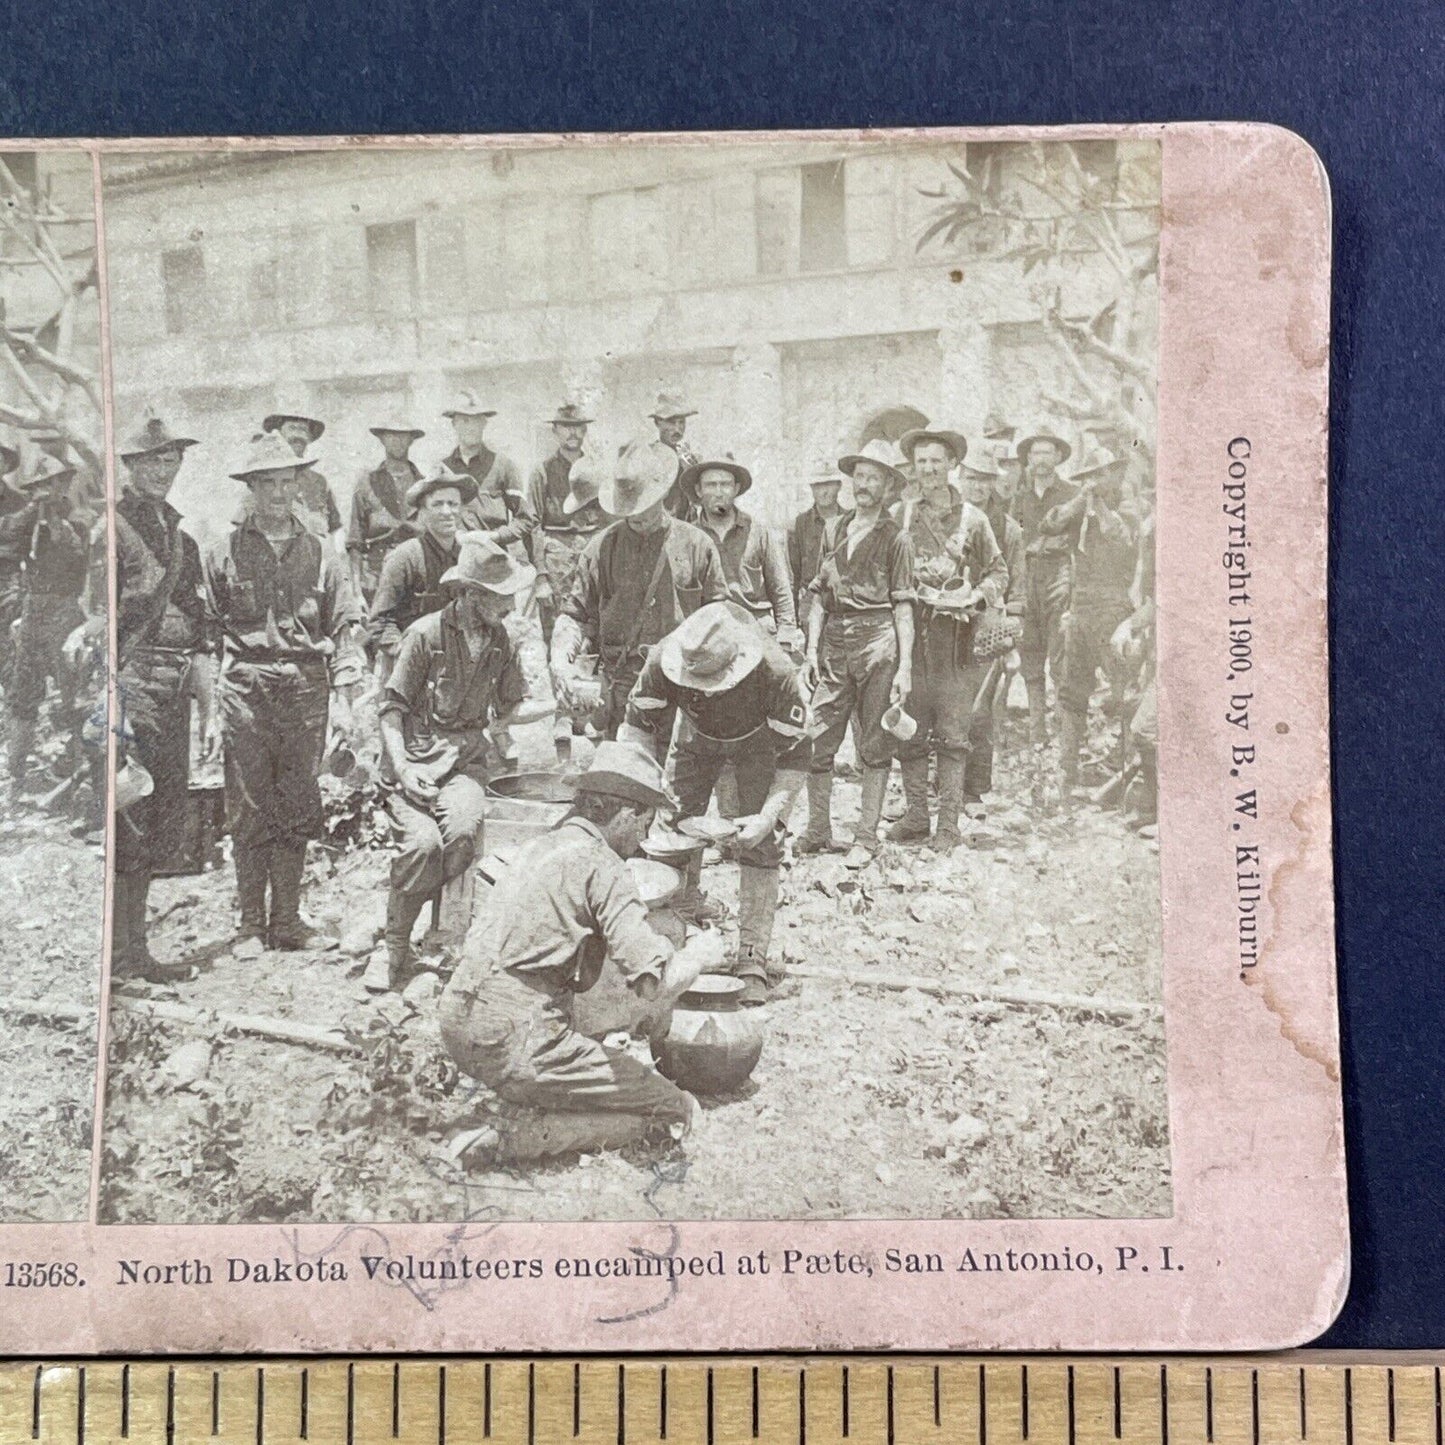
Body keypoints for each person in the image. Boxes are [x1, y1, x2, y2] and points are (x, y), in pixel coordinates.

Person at [438, 740, 725, 1164]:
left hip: (457, 1018)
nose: (644, 838)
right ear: (628, 813)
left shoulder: (541, 845)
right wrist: (701, 955)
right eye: (646, 824)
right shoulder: (603, 864)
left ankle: (529, 1096)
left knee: (572, 1066)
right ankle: (506, 1139)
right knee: (672, 1110)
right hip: (517, 1036)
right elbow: (652, 984)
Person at [201, 432, 365, 951]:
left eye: (286, 482)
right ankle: (251, 923)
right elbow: (207, 634)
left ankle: (287, 922)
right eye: (266, 483)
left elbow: (344, 627)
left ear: (299, 486)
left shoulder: (321, 553)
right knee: (248, 804)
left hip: (304, 687)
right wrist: (208, 709)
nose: (277, 493)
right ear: (250, 488)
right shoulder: (222, 552)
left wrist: (344, 699)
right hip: (246, 683)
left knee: (297, 800)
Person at [619, 602, 810, 1003]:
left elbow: (795, 760)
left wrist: (769, 817)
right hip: (693, 740)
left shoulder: (775, 672)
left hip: (759, 747)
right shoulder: (663, 658)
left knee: (761, 844)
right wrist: (646, 787)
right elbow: (637, 729)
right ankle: (671, 939)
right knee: (668, 834)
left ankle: (752, 956)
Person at [373, 538, 536, 992]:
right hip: (414, 765)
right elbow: (390, 711)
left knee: (463, 831)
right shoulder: (425, 635)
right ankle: (392, 945)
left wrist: (558, 708)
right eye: (501, 597)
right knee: (423, 845)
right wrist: (403, 768)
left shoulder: (500, 640)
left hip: (464, 765)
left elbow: (509, 708)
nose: (509, 606)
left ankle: (438, 939)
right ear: (469, 594)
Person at [112, 418, 214, 982]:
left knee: (157, 820)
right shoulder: (113, 528)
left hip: (173, 690)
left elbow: (200, 634)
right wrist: (110, 704)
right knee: (128, 816)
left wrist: (210, 708)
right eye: (151, 460)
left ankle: (137, 952)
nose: (162, 469)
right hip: (129, 687)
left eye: (170, 459)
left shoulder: (183, 538)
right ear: (130, 466)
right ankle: (118, 957)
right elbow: (96, 618)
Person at [550, 440, 727, 751]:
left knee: (677, 789)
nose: (639, 516)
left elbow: (719, 619)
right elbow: (574, 615)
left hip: (683, 691)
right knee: (621, 783)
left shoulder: (698, 546)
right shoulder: (601, 549)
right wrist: (560, 660)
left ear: (663, 494)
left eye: (647, 504)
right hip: (623, 691)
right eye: (631, 509)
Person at [888, 428, 1006, 850]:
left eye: (937, 461)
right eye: (922, 462)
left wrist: (974, 594)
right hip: (911, 637)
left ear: (953, 465)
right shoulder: (900, 515)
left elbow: (999, 572)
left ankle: (949, 825)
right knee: (911, 729)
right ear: (913, 468)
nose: (929, 469)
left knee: (954, 735)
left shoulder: (974, 519)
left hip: (956, 641)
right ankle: (918, 815)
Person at [799, 438, 915, 865]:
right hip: (833, 643)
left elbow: (903, 606)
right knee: (816, 737)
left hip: (878, 642)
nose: (864, 485)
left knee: (874, 743)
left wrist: (905, 666)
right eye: (860, 476)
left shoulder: (895, 538)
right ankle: (817, 829)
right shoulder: (833, 529)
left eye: (874, 478)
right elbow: (816, 596)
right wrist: (810, 650)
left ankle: (866, 836)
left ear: (887, 487)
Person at [1046, 446, 1138, 791]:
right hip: (1081, 606)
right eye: (1088, 477)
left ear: (1115, 474)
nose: (1094, 482)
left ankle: (1128, 773)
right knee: (1072, 690)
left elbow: (1121, 539)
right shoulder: (1078, 507)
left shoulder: (1127, 507)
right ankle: (1066, 771)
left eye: (1100, 474)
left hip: (1113, 607)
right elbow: (1049, 524)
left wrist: (1098, 505)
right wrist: (1080, 501)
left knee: (1123, 690)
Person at [523, 404, 609, 764]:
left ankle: (585, 712)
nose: (573, 433)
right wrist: (541, 574)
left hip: (591, 547)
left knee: (593, 631)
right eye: (566, 427)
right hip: (557, 553)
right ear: (555, 431)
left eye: (578, 427)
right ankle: (562, 713)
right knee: (556, 636)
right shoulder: (543, 472)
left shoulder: (595, 469)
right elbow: (533, 524)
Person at [3, 456, 88, 798]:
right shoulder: (27, 520)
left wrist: (55, 521)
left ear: (65, 485)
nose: (47, 491)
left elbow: (77, 553)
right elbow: (6, 538)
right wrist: (32, 512)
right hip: (33, 607)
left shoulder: (78, 518)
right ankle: (16, 776)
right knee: (22, 695)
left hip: (65, 609)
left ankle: (80, 775)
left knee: (74, 695)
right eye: (39, 486)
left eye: (53, 484)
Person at [958, 447, 1027, 817]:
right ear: (961, 478)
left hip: (987, 627)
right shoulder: (949, 521)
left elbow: (1017, 587)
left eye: (985, 480)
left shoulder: (1008, 529)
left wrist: (1010, 637)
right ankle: (939, 789)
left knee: (979, 712)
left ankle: (973, 791)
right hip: (945, 625)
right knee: (940, 706)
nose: (978, 486)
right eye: (971, 478)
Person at [368, 464, 477, 676]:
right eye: (437, 504)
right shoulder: (405, 557)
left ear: (462, 509)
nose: (447, 512)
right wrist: (403, 653)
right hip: (412, 667)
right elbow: (380, 622)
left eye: (453, 504)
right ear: (424, 512)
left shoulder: (471, 555)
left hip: (460, 667)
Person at [1009, 427, 1077, 745]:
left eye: (1047, 452)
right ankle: (1038, 734)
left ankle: (1065, 735)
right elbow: (1013, 543)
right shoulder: (1019, 500)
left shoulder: (1070, 494)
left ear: (1059, 457)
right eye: (1035, 453)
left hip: (1058, 575)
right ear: (1028, 459)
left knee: (1060, 658)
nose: (1041, 459)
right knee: (1030, 656)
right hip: (1026, 577)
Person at [682, 455, 797, 640]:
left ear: (736, 489)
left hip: (756, 628)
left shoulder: (758, 532)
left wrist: (787, 632)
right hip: (710, 633)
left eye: (725, 484)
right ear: (699, 490)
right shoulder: (690, 537)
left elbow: (780, 589)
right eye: (711, 485)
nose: (719, 492)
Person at [439, 391, 530, 549]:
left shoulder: (503, 465)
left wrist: (495, 536)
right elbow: (430, 516)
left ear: (484, 424)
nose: (471, 427)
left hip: (493, 556)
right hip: (453, 556)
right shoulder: (442, 469)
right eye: (465, 421)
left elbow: (526, 519)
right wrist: (456, 536)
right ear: (454, 424)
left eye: (477, 421)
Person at [347, 419, 424, 605]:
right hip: (375, 578)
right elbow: (355, 542)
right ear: (382, 439)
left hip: (413, 578)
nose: (397, 440)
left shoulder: (423, 485)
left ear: (411, 440)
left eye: (403, 436)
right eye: (391, 435)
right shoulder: (366, 484)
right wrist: (356, 593)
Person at [259, 400, 343, 549]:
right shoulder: (263, 478)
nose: (298, 435)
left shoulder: (318, 482)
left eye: (303, 430)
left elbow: (335, 527)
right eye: (292, 428)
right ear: (279, 434)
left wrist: (337, 555)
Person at [786, 462, 844, 628]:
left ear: (839, 486)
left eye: (829, 484)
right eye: (818, 486)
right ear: (811, 488)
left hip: (842, 603)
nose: (824, 491)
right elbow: (793, 575)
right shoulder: (799, 524)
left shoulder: (850, 521)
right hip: (809, 601)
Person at [648, 391, 700, 519]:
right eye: (671, 422)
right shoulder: (648, 456)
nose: (677, 429)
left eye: (681, 422)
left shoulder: (690, 457)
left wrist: (692, 472)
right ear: (657, 422)